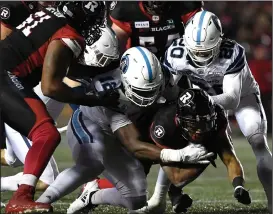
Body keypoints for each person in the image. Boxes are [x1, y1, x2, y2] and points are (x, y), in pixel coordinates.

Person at [35, 47, 214, 213]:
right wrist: (180, 155)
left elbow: (178, 106)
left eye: (153, 91)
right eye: (142, 92)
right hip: (90, 124)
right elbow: (133, 144)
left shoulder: (167, 78)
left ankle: (91, 196)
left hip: (123, 129)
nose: (149, 98)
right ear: (125, 81)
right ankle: (41, 203)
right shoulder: (109, 92)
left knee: (136, 199)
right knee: (91, 164)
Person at [0, 2, 120, 213]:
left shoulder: (49, 13)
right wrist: (93, 99)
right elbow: (50, 87)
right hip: (5, 76)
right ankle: (21, 197)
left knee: (37, 140)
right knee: (46, 134)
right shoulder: (68, 32)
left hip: (7, 74)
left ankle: (22, 196)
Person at [164, 10, 272, 213]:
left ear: (219, 41)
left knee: (258, 142)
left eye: (205, 52)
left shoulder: (232, 52)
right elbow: (167, 88)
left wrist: (198, 102)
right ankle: (165, 195)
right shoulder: (175, 53)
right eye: (195, 51)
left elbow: (231, 99)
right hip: (202, 103)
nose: (200, 57)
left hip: (242, 98)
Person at [132, 88, 252, 214]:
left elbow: (229, 158)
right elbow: (176, 177)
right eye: (194, 125)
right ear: (180, 119)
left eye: (205, 123)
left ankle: (174, 194)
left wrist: (238, 185)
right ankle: (166, 195)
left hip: (180, 133)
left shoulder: (217, 117)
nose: (199, 130)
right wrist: (187, 156)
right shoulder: (165, 125)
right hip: (145, 142)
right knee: (138, 179)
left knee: (210, 149)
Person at [109, 1, 203, 58]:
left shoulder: (185, 4)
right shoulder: (126, 8)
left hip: (179, 62)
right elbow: (116, 46)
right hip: (140, 66)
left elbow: (200, 36)